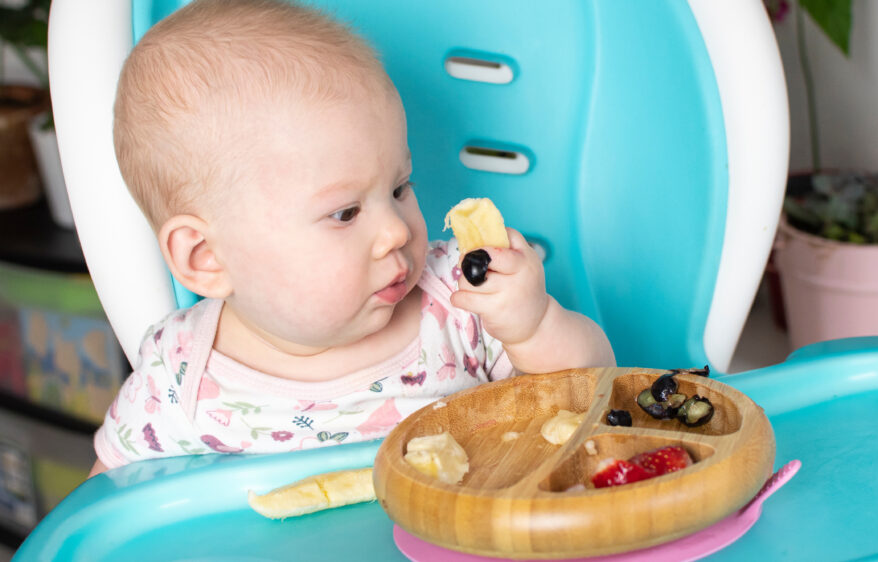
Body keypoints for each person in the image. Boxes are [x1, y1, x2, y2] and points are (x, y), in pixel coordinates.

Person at [89, 0, 614, 476]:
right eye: (345, 213)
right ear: (207, 258)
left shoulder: (459, 303)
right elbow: (110, 511)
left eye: (399, 187)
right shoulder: (176, 379)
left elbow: (589, 393)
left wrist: (534, 324)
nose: (396, 230)